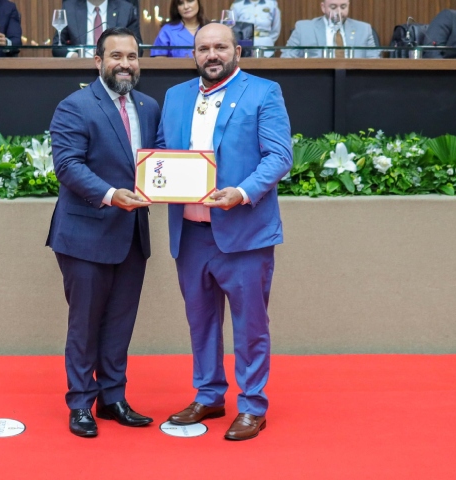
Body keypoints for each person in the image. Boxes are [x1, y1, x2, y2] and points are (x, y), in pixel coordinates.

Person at [156, 23, 292, 441]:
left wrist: (243, 191)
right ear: (193, 54)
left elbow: (279, 156)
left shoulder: (263, 91)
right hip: (191, 233)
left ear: (237, 50)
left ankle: (252, 404)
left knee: (250, 324)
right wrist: (154, 180)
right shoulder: (175, 97)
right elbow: (162, 151)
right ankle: (210, 395)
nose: (211, 54)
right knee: (201, 321)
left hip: (244, 232)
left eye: (220, 47)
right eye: (203, 48)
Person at [47, 27, 161, 438]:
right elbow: (68, 166)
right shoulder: (75, 106)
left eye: (131, 56)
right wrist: (112, 195)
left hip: (132, 234)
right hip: (85, 235)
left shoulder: (148, 106)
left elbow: (160, 162)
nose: (125, 64)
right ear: (98, 62)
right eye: (116, 56)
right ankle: (81, 402)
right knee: (85, 323)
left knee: (119, 322)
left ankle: (112, 398)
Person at [281, 0, 380, 59]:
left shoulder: (364, 29)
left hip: (356, 83)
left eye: (343, 7)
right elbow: (286, 58)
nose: (338, 12)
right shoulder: (303, 28)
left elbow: (375, 62)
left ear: (349, 5)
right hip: (314, 82)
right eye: (333, 7)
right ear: (323, 7)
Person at [53, 0, 141, 58]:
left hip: (115, 70)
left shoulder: (125, 9)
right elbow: (57, 46)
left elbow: (137, 47)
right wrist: (72, 55)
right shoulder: (69, 8)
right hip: (80, 69)